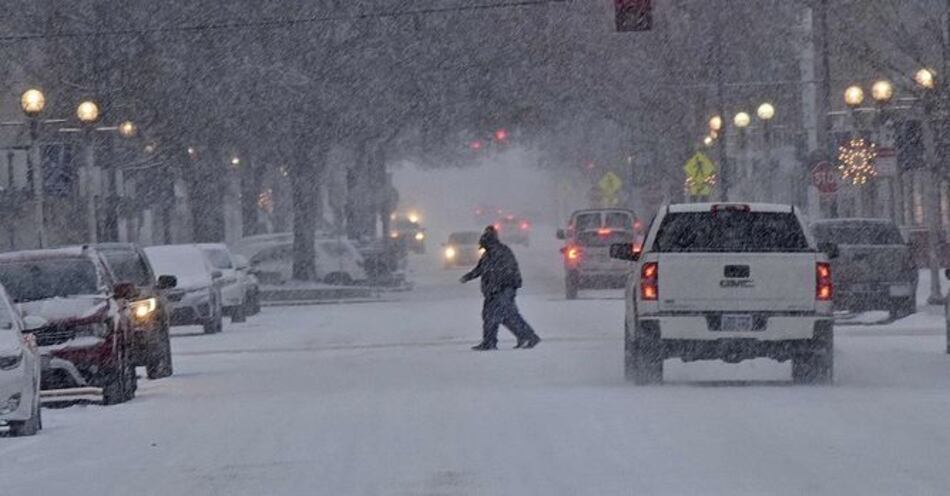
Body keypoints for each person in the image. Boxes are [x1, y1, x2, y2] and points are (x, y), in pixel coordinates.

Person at [460, 226, 541, 351]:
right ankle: (524, 337)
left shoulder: (499, 252)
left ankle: (495, 341)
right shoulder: (490, 254)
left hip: (502, 290)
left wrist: (500, 286)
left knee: (497, 316)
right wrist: (468, 277)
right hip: (496, 291)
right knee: (504, 316)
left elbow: (505, 271)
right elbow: (480, 269)